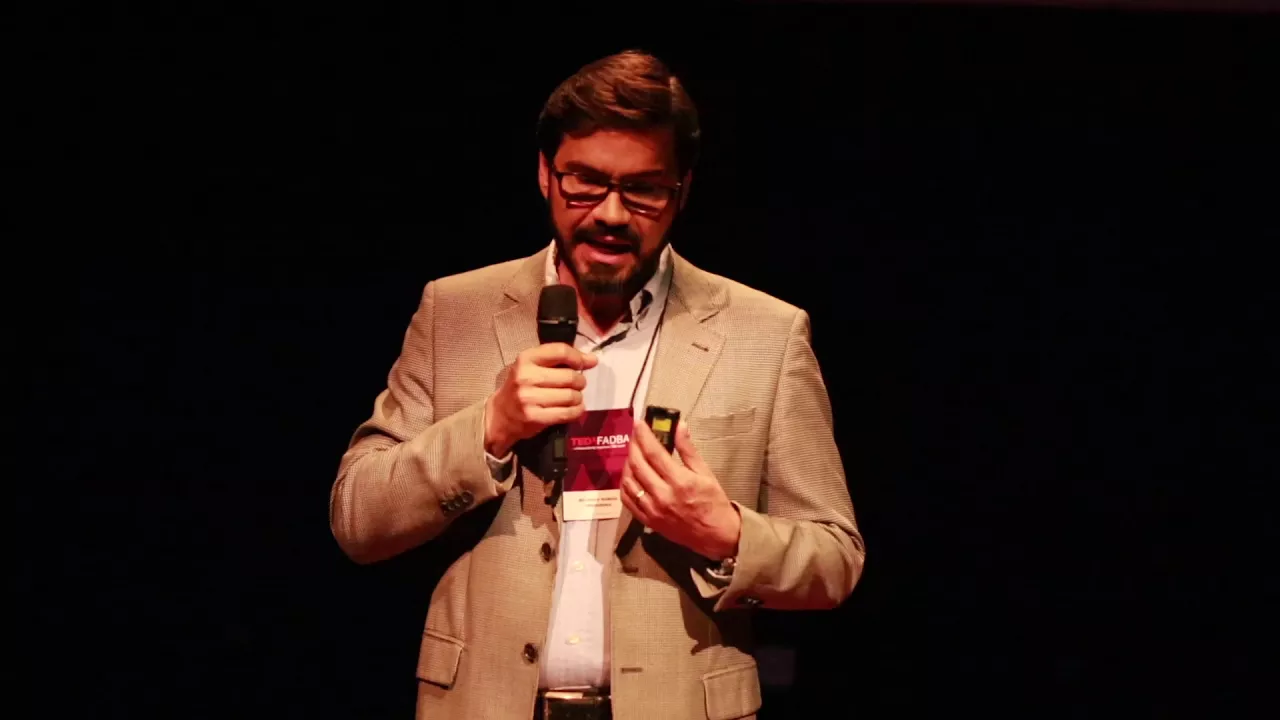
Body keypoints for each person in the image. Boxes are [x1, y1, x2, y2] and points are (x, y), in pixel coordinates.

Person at [329, 50, 864, 720]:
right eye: (584, 182)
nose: (611, 213)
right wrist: (488, 429)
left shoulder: (767, 332)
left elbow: (834, 559)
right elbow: (358, 520)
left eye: (643, 189)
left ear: (682, 191)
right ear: (545, 174)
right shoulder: (454, 310)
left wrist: (724, 533)